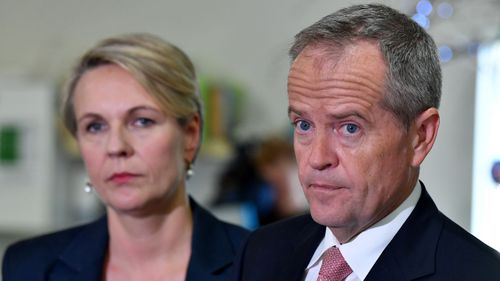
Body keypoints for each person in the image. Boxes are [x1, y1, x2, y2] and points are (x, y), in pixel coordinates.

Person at [234, 4, 500, 281]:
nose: (317, 158)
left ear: (420, 136)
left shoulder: (481, 274)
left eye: (349, 128)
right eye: (304, 125)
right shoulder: (259, 252)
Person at [2, 33, 249, 281]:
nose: (116, 146)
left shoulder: (261, 264)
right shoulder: (29, 267)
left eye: (142, 121)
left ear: (190, 135)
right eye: (95, 126)